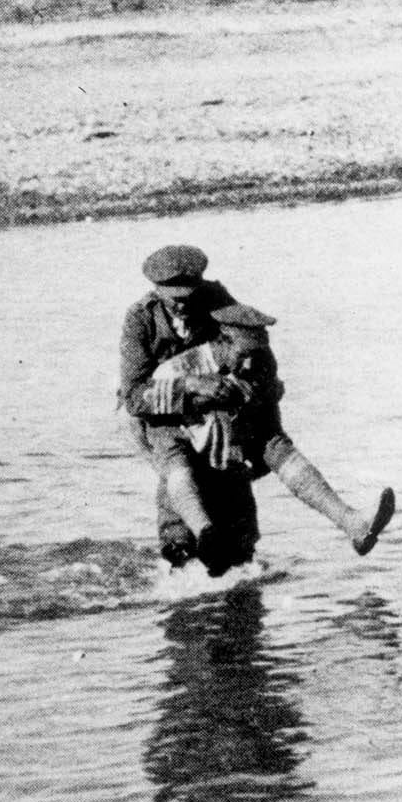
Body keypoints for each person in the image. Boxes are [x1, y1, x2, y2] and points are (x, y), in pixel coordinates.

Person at [155, 302, 395, 556]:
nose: (249, 363)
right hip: (184, 469)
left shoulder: (259, 361)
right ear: (221, 342)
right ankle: (197, 536)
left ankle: (352, 522)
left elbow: (271, 435)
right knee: (182, 555)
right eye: (243, 353)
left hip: (231, 466)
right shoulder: (176, 372)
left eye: (256, 354)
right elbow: (156, 438)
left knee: (242, 562)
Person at [118, 244, 245, 571]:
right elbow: (134, 396)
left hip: (210, 413)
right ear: (156, 290)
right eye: (172, 295)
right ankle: (180, 546)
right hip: (158, 414)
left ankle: (228, 552)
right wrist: (189, 384)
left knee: (230, 486)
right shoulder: (140, 318)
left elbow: (244, 344)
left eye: (189, 294)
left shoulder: (218, 300)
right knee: (175, 469)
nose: (181, 302)